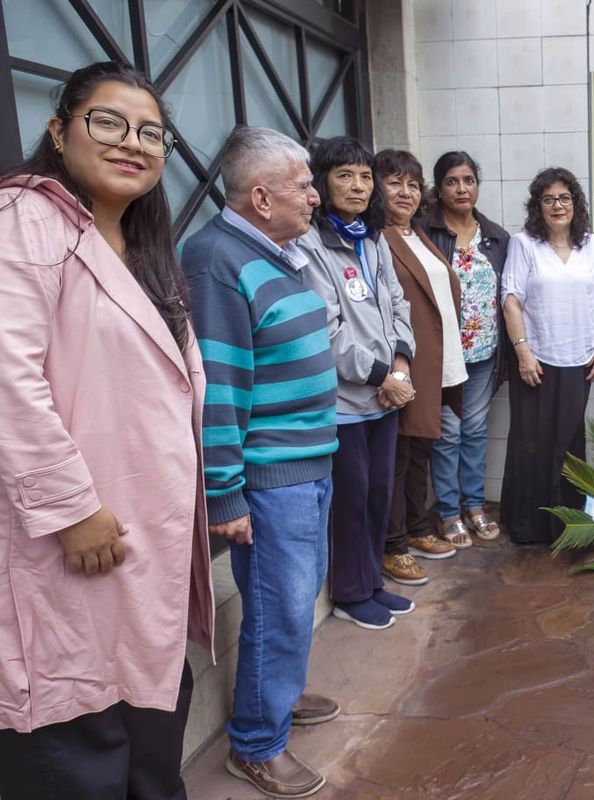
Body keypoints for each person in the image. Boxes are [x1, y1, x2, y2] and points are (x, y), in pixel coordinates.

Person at [0, 60, 213, 800]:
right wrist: (71, 509)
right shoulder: (24, 218)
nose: (133, 143)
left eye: (152, 133)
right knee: (79, 741)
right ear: (59, 132)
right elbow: (8, 377)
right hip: (77, 536)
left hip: (141, 539)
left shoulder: (146, 248)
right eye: (109, 122)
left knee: (148, 727)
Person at [182, 126, 341, 799]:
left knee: (294, 601)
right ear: (261, 197)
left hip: (308, 464)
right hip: (273, 477)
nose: (316, 194)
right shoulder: (217, 260)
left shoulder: (279, 250)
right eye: (304, 185)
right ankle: (256, 743)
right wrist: (225, 493)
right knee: (280, 608)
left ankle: (279, 694)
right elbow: (218, 387)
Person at [297, 137, 418, 630]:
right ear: (321, 182)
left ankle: (371, 582)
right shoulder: (310, 244)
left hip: (386, 396)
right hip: (346, 402)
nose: (358, 186)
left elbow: (399, 304)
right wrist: (382, 375)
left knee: (377, 494)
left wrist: (402, 366)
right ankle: (349, 591)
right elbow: (326, 332)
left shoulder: (373, 239)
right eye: (344, 175)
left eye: (365, 176)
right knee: (350, 499)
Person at [501, 167, 594, 544]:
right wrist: (522, 352)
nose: (557, 205)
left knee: (568, 443)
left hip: (579, 360)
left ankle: (568, 524)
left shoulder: (593, 245)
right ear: (537, 206)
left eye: (564, 198)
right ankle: (530, 527)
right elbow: (511, 300)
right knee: (532, 444)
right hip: (536, 361)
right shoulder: (524, 245)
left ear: (575, 203)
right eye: (548, 199)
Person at [376, 149, 467, 584]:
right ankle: (393, 544)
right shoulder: (378, 239)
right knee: (399, 454)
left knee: (419, 451)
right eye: (395, 182)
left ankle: (415, 527)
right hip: (405, 365)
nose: (405, 192)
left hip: (436, 364)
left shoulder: (418, 235)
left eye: (413, 185)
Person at [421, 151, 510, 546]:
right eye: (452, 181)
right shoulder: (425, 232)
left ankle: (474, 505)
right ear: (439, 188)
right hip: (442, 357)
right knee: (447, 433)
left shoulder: (496, 237)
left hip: (484, 353)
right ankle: (447, 512)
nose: (462, 189)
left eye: (469, 180)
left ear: (477, 185)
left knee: (474, 430)